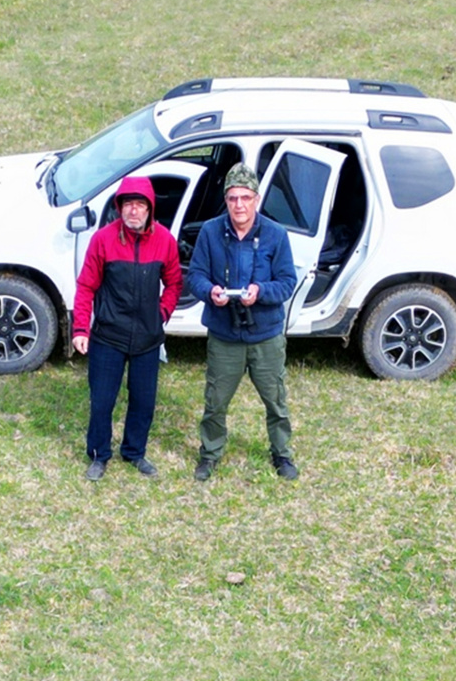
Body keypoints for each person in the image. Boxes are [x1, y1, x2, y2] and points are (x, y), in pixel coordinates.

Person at [185, 164, 299, 481]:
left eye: (246, 198)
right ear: (226, 199)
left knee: (276, 402)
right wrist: (211, 292)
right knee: (215, 403)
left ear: (257, 199)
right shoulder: (210, 231)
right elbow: (194, 276)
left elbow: (288, 282)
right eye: (233, 198)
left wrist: (260, 292)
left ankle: (282, 454)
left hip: (265, 336)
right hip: (224, 336)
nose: (239, 205)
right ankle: (209, 454)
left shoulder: (276, 235)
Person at [70, 175, 181, 479]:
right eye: (128, 204)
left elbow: (174, 283)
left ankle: (134, 452)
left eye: (140, 204)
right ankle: (98, 454)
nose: (134, 211)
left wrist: (162, 314)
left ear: (150, 209)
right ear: (119, 208)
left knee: (143, 402)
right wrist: (81, 329)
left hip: (148, 338)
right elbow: (86, 287)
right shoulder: (102, 240)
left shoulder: (165, 241)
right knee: (102, 401)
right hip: (108, 336)